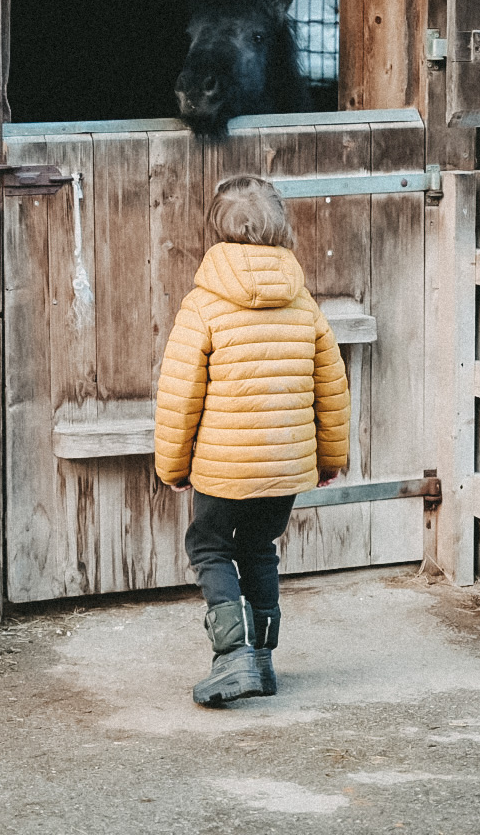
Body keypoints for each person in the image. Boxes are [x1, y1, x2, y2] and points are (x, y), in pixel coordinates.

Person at [154, 175, 350, 706]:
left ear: (217, 230)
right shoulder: (303, 303)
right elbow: (332, 387)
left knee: (209, 546)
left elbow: (180, 394)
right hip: (285, 466)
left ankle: (232, 656)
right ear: (281, 228)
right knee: (259, 548)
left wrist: (173, 465)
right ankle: (262, 660)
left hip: (223, 467)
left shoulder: (203, 304)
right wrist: (330, 458)